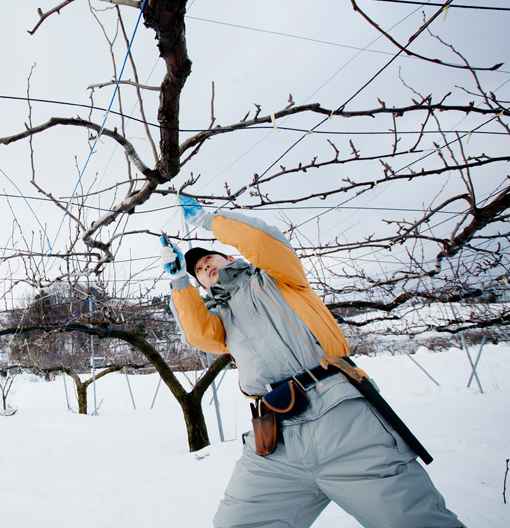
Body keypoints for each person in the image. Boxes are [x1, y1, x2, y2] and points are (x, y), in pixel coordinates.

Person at [159, 196, 464, 528]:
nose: (205, 267)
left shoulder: (276, 277)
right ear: (201, 284)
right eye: (198, 270)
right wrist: (179, 281)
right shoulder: (219, 317)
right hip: (275, 437)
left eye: (208, 259)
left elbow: (265, 242)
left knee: (412, 521)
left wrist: (209, 220)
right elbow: (197, 333)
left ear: (229, 257)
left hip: (341, 418)